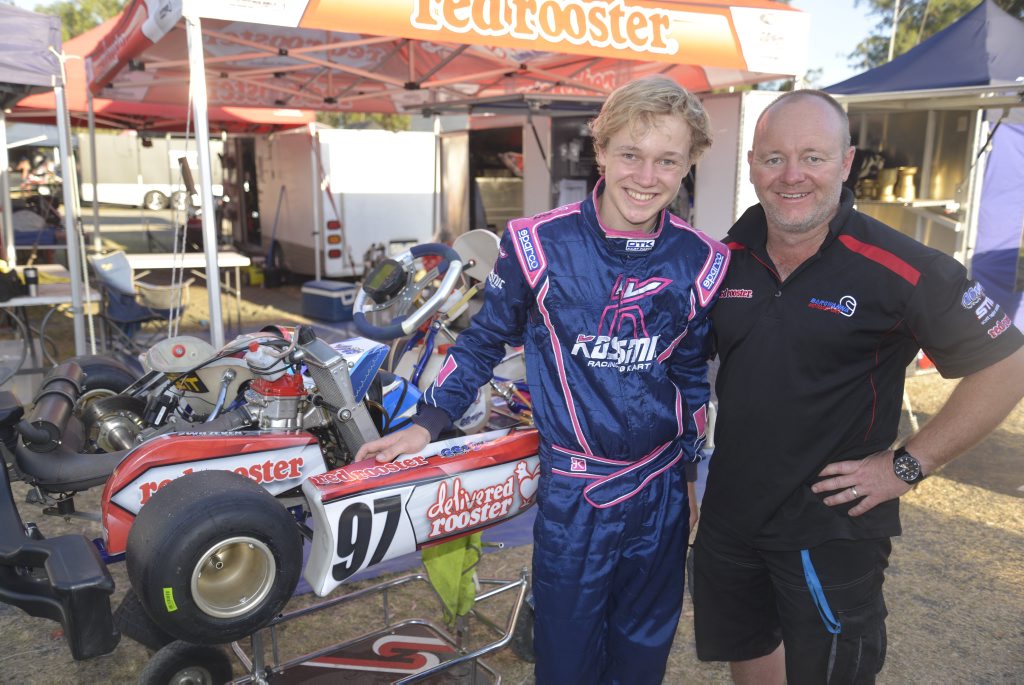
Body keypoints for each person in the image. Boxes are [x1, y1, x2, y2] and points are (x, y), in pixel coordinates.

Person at [356, 75, 730, 683]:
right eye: (631, 154)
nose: (646, 176)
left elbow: (690, 376)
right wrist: (426, 423)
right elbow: (481, 342)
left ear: (690, 164)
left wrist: (689, 475)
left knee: (642, 656)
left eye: (668, 160)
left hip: (660, 491)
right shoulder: (535, 243)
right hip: (575, 496)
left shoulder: (703, 260)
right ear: (601, 149)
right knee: (566, 660)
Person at [692, 89, 1024, 684]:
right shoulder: (722, 258)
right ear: (751, 165)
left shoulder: (900, 265)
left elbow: (1006, 365)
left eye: (813, 157)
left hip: (830, 526)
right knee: (751, 656)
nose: (792, 175)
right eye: (774, 158)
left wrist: (907, 466)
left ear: (846, 164)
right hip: (731, 516)